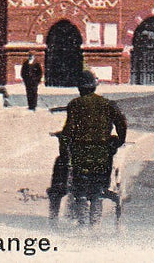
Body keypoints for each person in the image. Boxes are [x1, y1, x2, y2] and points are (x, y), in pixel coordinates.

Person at [60, 72, 127, 229]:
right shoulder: (108, 104)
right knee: (97, 191)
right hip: (102, 155)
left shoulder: (74, 105)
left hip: (80, 155)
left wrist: (64, 150)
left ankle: (83, 225)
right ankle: (95, 225)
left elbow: (68, 132)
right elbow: (122, 124)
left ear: (79, 88)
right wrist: (118, 142)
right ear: (94, 87)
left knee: (81, 191)